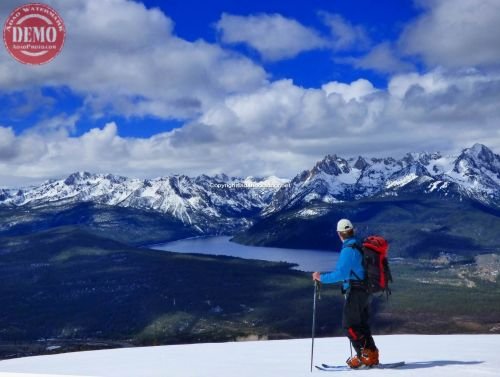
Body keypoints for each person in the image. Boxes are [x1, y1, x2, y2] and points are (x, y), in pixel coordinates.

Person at [312, 218, 379, 368]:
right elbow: (354, 271)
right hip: (366, 290)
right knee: (361, 325)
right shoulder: (358, 245)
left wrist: (320, 277)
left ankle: (364, 357)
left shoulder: (348, 250)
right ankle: (371, 354)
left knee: (349, 325)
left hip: (357, 291)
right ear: (352, 231)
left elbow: (341, 273)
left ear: (339, 234)